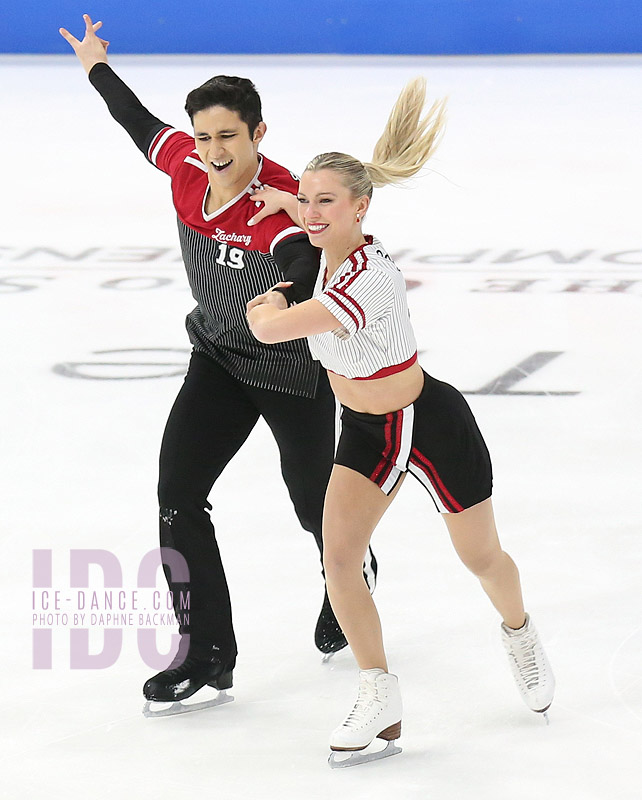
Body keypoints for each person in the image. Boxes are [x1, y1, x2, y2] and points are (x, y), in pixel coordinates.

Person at [59, 14, 378, 713]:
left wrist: (285, 294)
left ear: (258, 134)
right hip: (219, 358)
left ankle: (349, 575)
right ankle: (205, 653)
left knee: (313, 507)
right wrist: (95, 65)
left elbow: (302, 259)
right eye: (204, 137)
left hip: (291, 370)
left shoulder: (279, 201)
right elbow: (137, 123)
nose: (213, 151)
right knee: (177, 495)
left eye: (228, 136)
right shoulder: (185, 167)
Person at [246, 77, 555, 766]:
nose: (313, 212)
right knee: (339, 559)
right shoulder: (318, 248)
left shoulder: (369, 277)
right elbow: (297, 223)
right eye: (308, 199)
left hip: (429, 422)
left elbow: (270, 328)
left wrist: (267, 301)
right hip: (366, 432)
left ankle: (520, 632)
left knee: (481, 558)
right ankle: (378, 693)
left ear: (361, 207)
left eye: (328, 201)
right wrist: (289, 205)